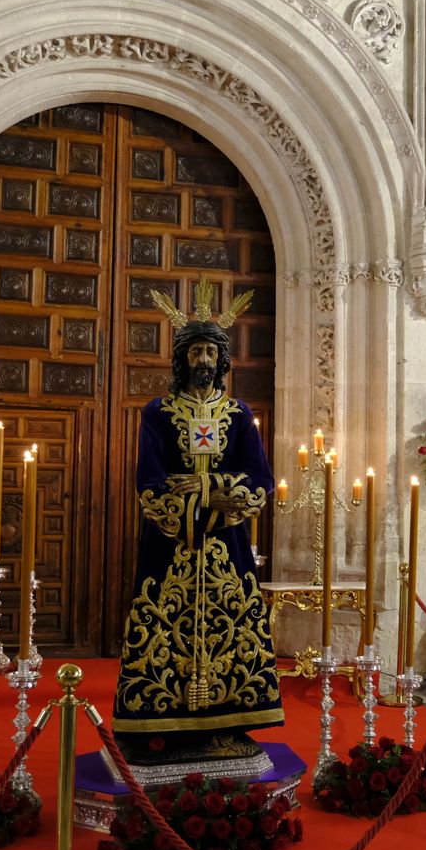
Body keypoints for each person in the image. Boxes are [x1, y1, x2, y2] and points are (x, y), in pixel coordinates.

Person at [111, 278, 282, 765]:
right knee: (162, 624)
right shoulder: (158, 412)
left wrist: (211, 490)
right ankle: (152, 722)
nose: (204, 360)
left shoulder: (238, 412)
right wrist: (183, 506)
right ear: (182, 359)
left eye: (211, 352)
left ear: (221, 361)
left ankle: (228, 721)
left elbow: (261, 478)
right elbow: (149, 479)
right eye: (196, 352)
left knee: (233, 625)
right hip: (170, 545)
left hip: (226, 544)